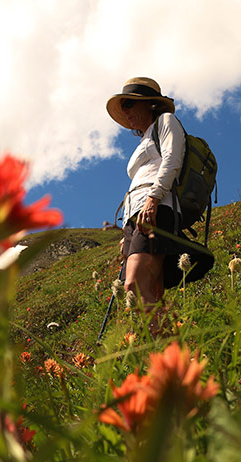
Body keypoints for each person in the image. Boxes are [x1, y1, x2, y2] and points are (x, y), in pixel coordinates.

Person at [106, 77, 185, 316]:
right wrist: (126, 230)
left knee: (135, 286)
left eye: (129, 103)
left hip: (156, 207)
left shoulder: (165, 121)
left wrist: (153, 199)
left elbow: (172, 159)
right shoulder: (145, 139)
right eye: (123, 106)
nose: (125, 110)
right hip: (137, 214)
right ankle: (163, 347)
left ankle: (170, 348)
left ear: (150, 104)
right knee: (148, 288)